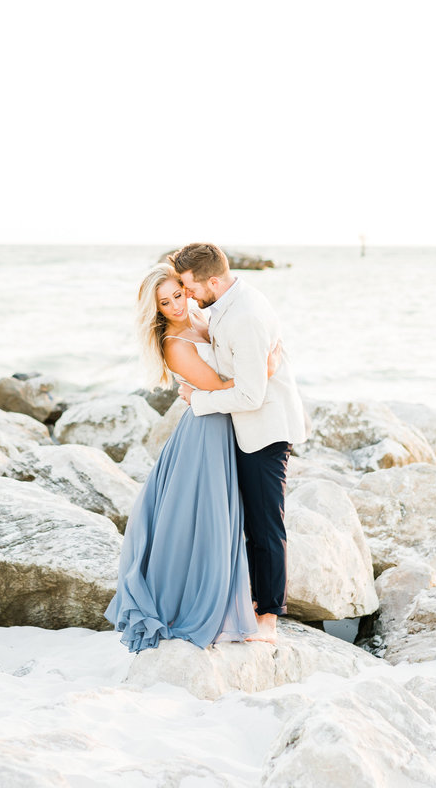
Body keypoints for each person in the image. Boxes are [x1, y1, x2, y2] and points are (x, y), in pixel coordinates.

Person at [105, 263, 258, 652]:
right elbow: (221, 386)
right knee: (203, 520)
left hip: (219, 423)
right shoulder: (175, 343)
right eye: (164, 302)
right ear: (154, 309)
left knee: (213, 517)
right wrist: (265, 368)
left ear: (186, 289)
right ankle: (187, 605)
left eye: (177, 294)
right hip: (206, 432)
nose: (174, 305)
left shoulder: (198, 318)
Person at [172, 243, 308, 644]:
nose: (189, 295)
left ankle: (268, 617)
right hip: (251, 426)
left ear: (212, 280)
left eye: (189, 286)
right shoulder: (232, 304)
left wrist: (198, 400)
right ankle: (253, 604)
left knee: (265, 525)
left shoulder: (243, 316)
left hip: (265, 430)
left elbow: (251, 395)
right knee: (251, 521)